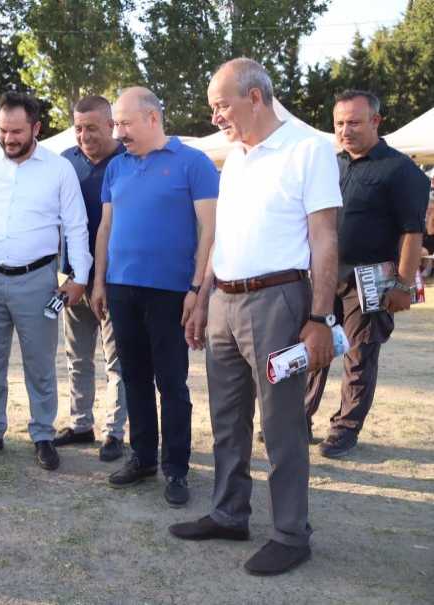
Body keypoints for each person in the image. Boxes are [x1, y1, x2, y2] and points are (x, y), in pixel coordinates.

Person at [170, 58, 341, 576]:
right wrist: (201, 295)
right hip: (224, 299)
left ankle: (291, 533)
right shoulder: (236, 159)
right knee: (226, 417)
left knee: (282, 422)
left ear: (256, 97)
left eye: (222, 105)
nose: (216, 116)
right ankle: (229, 512)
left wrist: (318, 318)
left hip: (279, 303)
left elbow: (325, 238)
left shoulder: (308, 149)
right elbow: (221, 231)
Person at [89, 88, 218, 507]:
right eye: (116, 124)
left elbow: (210, 231)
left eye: (125, 123)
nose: (118, 132)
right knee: (134, 378)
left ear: (152, 119)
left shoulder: (193, 163)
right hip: (123, 290)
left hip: (170, 292)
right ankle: (142, 457)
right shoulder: (116, 168)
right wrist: (99, 282)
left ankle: (176, 467)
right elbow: (105, 229)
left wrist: (197, 289)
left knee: (172, 383)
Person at [0, 92, 91, 472]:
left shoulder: (58, 170)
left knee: (40, 363)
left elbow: (76, 227)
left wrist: (80, 276)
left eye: (16, 131)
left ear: (36, 128)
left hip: (38, 282)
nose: (8, 138)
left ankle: (43, 434)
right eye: (2, 130)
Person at [302, 90, 430, 458]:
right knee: (314, 348)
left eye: (354, 122)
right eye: (339, 123)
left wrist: (403, 285)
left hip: (369, 280)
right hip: (324, 276)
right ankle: (300, 417)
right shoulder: (331, 165)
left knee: (359, 356)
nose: (345, 130)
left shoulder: (400, 169)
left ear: (376, 121)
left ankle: (344, 429)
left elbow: (412, 231)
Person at [53, 95, 129, 463]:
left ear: (112, 124)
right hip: (72, 280)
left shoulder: (129, 160)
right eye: (79, 128)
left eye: (93, 128)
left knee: (118, 361)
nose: (84, 136)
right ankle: (81, 423)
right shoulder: (65, 162)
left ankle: (114, 433)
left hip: (117, 280)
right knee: (76, 356)